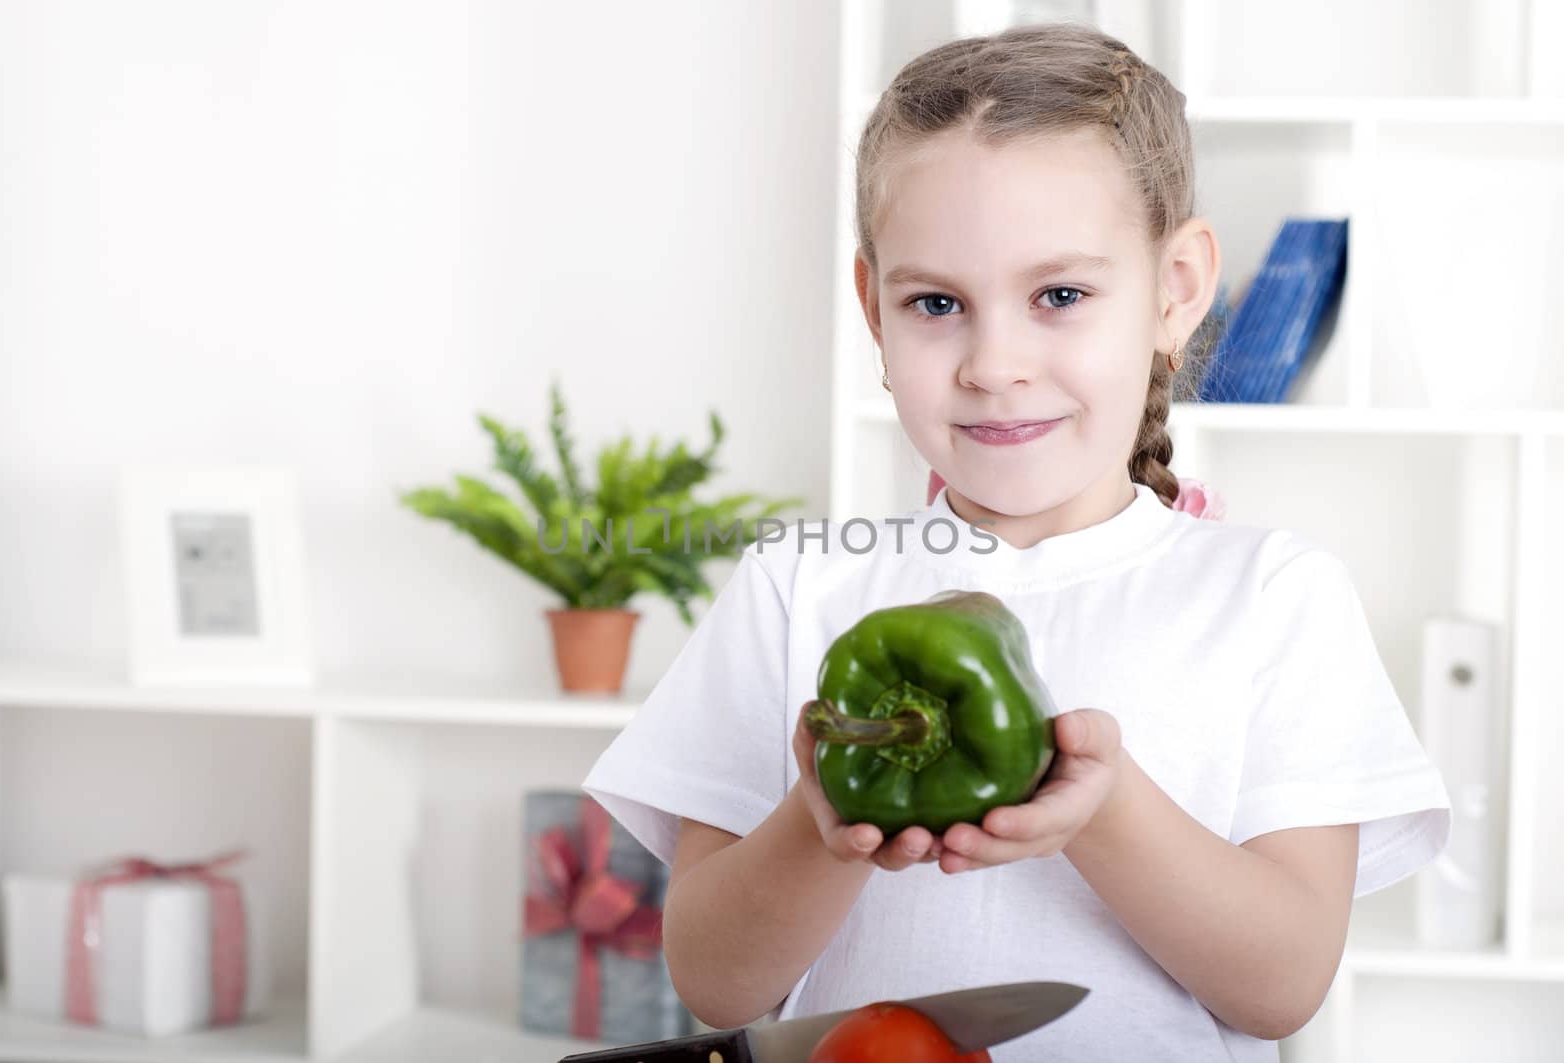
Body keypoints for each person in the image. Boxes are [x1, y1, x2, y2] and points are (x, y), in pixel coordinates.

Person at [581, 22, 1449, 1062]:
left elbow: (1281, 987)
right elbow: (716, 980)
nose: (994, 362)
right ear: (873, 309)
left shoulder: (1270, 594)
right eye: (937, 302)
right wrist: (824, 817)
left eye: (1060, 296)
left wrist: (1103, 806)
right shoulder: (796, 583)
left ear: (1176, 289)